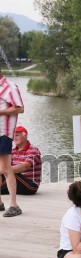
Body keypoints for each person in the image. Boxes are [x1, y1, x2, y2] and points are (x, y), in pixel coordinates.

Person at [0, 68, 24, 217]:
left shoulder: (10, 87)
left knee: (5, 169)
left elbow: (20, 109)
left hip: (4, 133)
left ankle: (14, 205)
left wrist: (1, 112)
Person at [0, 126, 41, 195]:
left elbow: (24, 167)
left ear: (25, 135)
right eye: (13, 136)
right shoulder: (12, 151)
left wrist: (4, 170)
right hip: (16, 181)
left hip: (30, 186)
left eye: (17, 135)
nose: (14, 138)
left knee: (10, 173)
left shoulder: (33, 150)